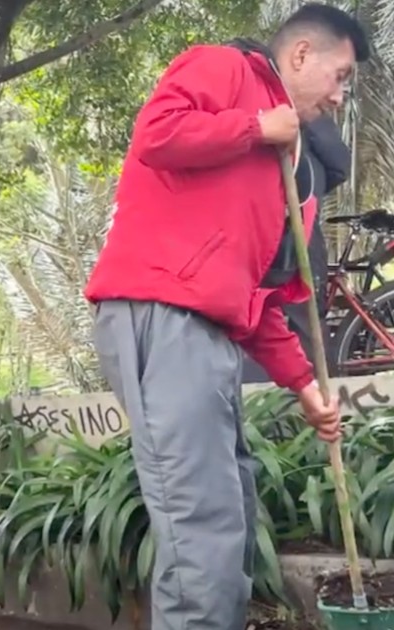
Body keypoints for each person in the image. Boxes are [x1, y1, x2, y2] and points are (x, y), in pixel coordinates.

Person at [83, 5, 367, 629]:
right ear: (300, 56)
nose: (342, 96)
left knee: (229, 510)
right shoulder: (226, 70)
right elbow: (157, 134)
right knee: (200, 523)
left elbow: (258, 298)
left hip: (211, 333)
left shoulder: (289, 179)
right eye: (340, 76)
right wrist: (254, 126)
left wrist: (302, 385)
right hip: (162, 312)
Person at [243, 114, 351, 383]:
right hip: (289, 223)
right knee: (295, 315)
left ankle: (308, 395)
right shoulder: (299, 107)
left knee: (293, 314)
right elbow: (339, 165)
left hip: (287, 221)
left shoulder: (289, 109)